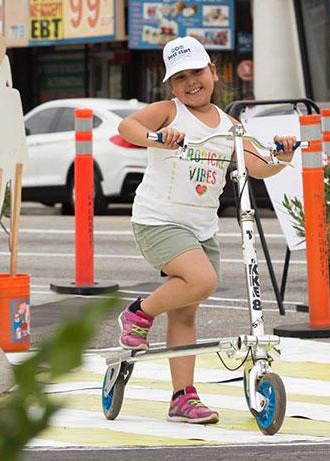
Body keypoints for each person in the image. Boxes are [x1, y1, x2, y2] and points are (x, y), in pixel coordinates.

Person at [117, 36, 297, 425]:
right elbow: (127, 126)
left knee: (185, 314)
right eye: (180, 77)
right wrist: (157, 138)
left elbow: (258, 166)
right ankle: (137, 314)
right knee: (203, 279)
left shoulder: (232, 126)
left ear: (213, 72)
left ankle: (182, 397)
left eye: (196, 72)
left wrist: (281, 157)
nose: (190, 82)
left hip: (200, 228)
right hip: (157, 221)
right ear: (171, 85)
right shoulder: (169, 112)